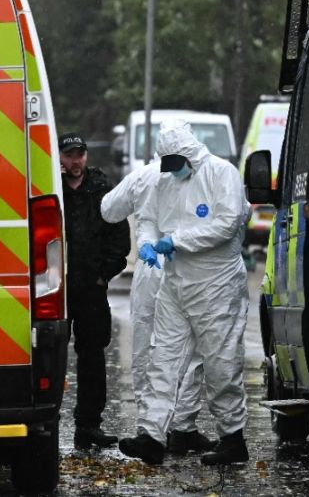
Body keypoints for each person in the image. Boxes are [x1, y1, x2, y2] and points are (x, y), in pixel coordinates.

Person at [119, 119, 250, 466]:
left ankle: (233, 437)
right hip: (175, 283)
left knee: (221, 362)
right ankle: (151, 435)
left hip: (216, 284)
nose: (171, 171)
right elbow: (149, 219)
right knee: (163, 358)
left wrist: (177, 240)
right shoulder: (166, 181)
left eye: (176, 164)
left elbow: (228, 222)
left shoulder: (222, 174)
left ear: (189, 155)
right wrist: (147, 243)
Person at [100, 161, 214, 456]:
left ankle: (149, 430)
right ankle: (182, 427)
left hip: (152, 268)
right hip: (189, 266)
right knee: (190, 350)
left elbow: (109, 209)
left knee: (147, 350)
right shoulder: (204, 174)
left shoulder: (143, 175)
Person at [59, 132, 131, 450]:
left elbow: (119, 235)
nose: (76, 161)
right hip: (55, 289)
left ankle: (88, 426)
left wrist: (104, 274)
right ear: (59, 157)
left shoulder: (101, 188)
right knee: (48, 356)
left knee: (92, 359)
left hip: (90, 288)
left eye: (80, 155)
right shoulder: (49, 186)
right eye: (70, 155)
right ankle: (41, 425)